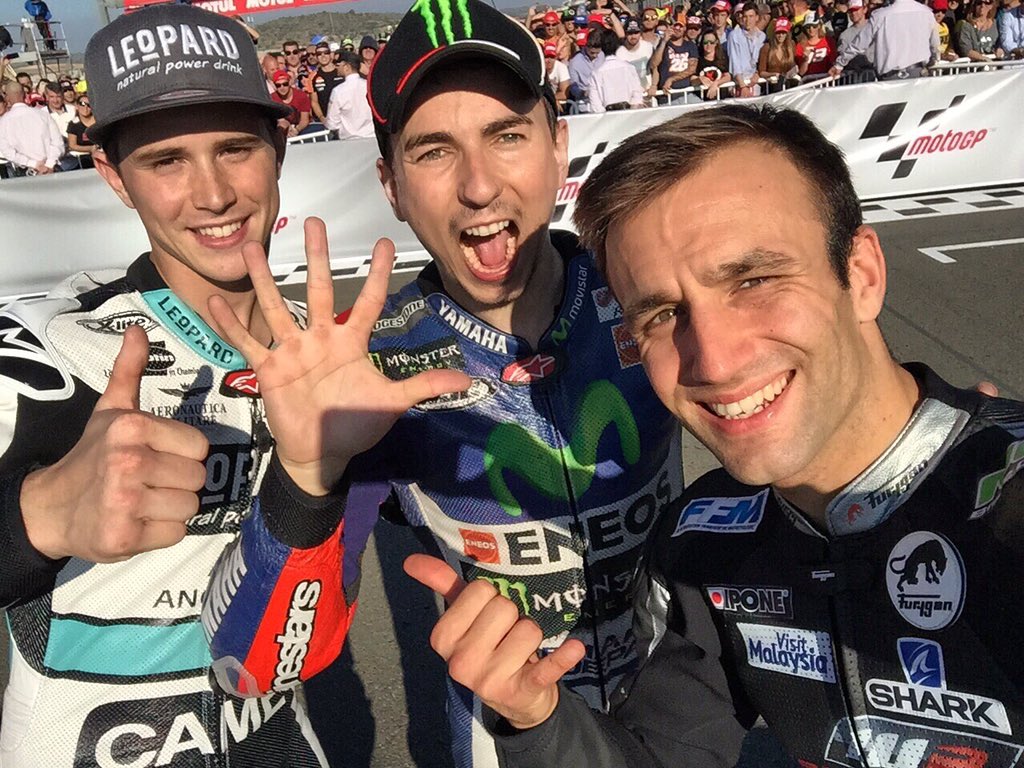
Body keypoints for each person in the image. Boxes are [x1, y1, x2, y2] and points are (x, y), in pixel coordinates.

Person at [406, 102, 1024, 768]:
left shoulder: (1007, 502)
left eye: (753, 280)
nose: (715, 359)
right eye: (663, 314)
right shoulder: (702, 547)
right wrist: (541, 722)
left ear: (862, 276)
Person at [202, 2, 684, 767]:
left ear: (558, 146)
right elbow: (250, 665)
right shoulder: (372, 368)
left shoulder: (645, 289)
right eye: (434, 152)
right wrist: (303, 475)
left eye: (507, 135)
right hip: (509, 746)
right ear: (391, 185)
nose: (479, 186)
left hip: (686, 721)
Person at [0, 4, 350, 766]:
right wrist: (39, 515)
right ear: (113, 177)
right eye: (166, 161)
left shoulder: (327, 346)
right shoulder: (59, 344)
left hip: (282, 741)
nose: (213, 194)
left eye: (235, 149)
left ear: (278, 149)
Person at [831, 0, 938, 78]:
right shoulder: (927, 13)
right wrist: (934, 61)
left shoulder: (880, 15)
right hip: (918, 74)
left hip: (890, 79)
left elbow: (859, 44)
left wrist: (839, 64)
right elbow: (935, 45)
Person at [0, 80, 62, 175]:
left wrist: (33, 164)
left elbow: (8, 151)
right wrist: (49, 164)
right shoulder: (42, 114)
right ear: (25, 95)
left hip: (28, 171)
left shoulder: (4, 122)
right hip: (51, 168)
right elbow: (57, 142)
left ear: (7, 97)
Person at [590, 23, 647, 110]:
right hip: (629, 114)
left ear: (601, 48)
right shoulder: (629, 68)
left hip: (608, 115)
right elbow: (637, 95)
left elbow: (596, 105)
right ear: (617, 46)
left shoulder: (596, 73)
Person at [324, 50, 373, 139]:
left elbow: (332, 123)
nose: (336, 68)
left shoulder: (338, 91)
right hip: (372, 138)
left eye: (338, 65)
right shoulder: (369, 86)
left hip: (349, 140)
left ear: (347, 67)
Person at [651, 16, 700, 95]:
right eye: (675, 26)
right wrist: (664, 41)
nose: (678, 29)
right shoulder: (663, 44)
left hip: (686, 91)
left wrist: (671, 79)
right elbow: (654, 64)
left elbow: (692, 69)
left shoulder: (691, 45)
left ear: (684, 29)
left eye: (680, 27)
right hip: (666, 93)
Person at [727, 2, 767, 95]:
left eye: (751, 16)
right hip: (739, 84)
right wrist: (742, 86)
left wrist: (757, 74)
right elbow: (734, 62)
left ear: (757, 17)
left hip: (756, 82)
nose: (748, 20)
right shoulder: (734, 35)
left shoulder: (762, 36)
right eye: (745, 16)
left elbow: (762, 60)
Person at [306, 42, 343, 125]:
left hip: (343, 117)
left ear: (331, 54)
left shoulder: (341, 71)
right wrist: (322, 118)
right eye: (319, 54)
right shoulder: (312, 76)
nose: (323, 56)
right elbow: (314, 101)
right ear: (316, 57)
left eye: (326, 52)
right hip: (324, 120)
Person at [271, 68, 312, 138]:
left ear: (289, 83)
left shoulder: (301, 95)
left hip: (302, 127)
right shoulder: (272, 98)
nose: (282, 87)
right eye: (278, 85)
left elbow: (304, 120)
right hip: (283, 128)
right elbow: (280, 120)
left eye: (285, 84)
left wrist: (296, 130)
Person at [758, 16, 798, 87]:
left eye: (783, 33)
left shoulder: (791, 45)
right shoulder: (767, 47)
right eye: (778, 33)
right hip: (772, 85)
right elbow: (761, 72)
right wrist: (773, 74)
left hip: (789, 84)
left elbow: (795, 65)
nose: (780, 35)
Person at [691, 32, 732, 98]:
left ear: (716, 43)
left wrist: (716, 83)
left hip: (721, 98)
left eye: (711, 42)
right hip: (702, 99)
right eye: (705, 42)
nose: (708, 45)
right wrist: (700, 79)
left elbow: (727, 76)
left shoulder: (723, 56)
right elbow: (692, 80)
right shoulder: (697, 58)